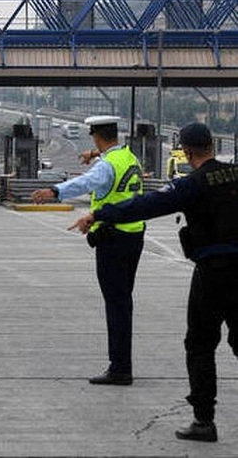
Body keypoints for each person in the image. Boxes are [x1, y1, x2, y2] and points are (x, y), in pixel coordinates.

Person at [70, 122, 238, 443]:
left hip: (214, 273)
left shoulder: (193, 183)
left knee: (200, 345)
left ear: (186, 151)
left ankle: (204, 421)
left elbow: (144, 205)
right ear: (213, 147)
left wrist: (100, 214)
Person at [31, 115, 145, 385]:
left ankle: (120, 368)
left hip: (112, 240)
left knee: (116, 305)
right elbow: (108, 163)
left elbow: (86, 183)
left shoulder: (106, 166)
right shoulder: (129, 157)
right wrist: (94, 154)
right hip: (133, 237)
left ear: (96, 135)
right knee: (123, 302)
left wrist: (54, 190)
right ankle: (121, 363)